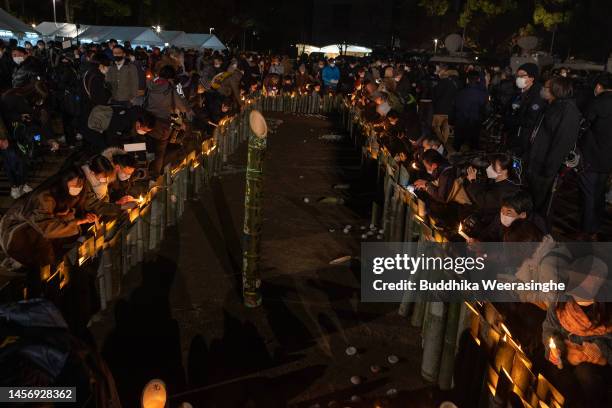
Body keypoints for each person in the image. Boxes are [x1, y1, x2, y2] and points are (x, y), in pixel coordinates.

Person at [0, 165, 97, 269]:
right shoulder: (44, 197)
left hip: (36, 227)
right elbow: (46, 228)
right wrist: (77, 221)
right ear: (64, 181)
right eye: (76, 184)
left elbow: (61, 215)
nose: (79, 188)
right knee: (46, 261)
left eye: (81, 185)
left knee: (65, 232)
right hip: (16, 233)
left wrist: (77, 217)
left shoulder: (64, 192)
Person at [527, 76, 581, 216]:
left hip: (545, 167)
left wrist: (549, 168)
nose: (543, 90)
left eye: (546, 87)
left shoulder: (568, 111)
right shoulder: (551, 106)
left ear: (555, 90)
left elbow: (562, 143)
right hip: (536, 161)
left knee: (540, 204)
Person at [542, 299, 611, 408]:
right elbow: (549, 330)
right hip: (565, 359)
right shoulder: (560, 302)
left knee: (586, 374)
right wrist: (560, 349)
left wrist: (599, 349)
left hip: (596, 371)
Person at [577, 73, 612, 240]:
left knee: (588, 194)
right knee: (599, 193)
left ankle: (588, 229)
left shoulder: (596, 103)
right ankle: (597, 224)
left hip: (590, 157)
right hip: (608, 159)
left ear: (598, 86)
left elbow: (583, 126)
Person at [475, 190, 547, 242]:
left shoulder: (536, 227)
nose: (503, 215)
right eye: (502, 211)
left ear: (522, 214)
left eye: (509, 213)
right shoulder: (499, 218)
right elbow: (489, 232)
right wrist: (479, 241)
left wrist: (490, 255)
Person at [505, 63, 545, 156]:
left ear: (532, 78)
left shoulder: (537, 95)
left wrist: (513, 120)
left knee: (519, 162)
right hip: (514, 135)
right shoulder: (519, 91)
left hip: (525, 138)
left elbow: (531, 119)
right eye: (517, 76)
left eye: (522, 76)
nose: (518, 78)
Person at [453, 70, 489, 151]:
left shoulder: (460, 92)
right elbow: (485, 109)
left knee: (457, 147)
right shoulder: (482, 94)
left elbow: (455, 107)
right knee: (473, 147)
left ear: (467, 79)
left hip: (461, 123)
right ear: (478, 79)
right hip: (475, 123)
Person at [431, 67, 459, 144]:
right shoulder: (453, 85)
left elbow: (434, 97)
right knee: (445, 126)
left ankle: (441, 141)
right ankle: (444, 141)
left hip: (439, 109)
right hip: (449, 109)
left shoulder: (439, 84)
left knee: (436, 127)